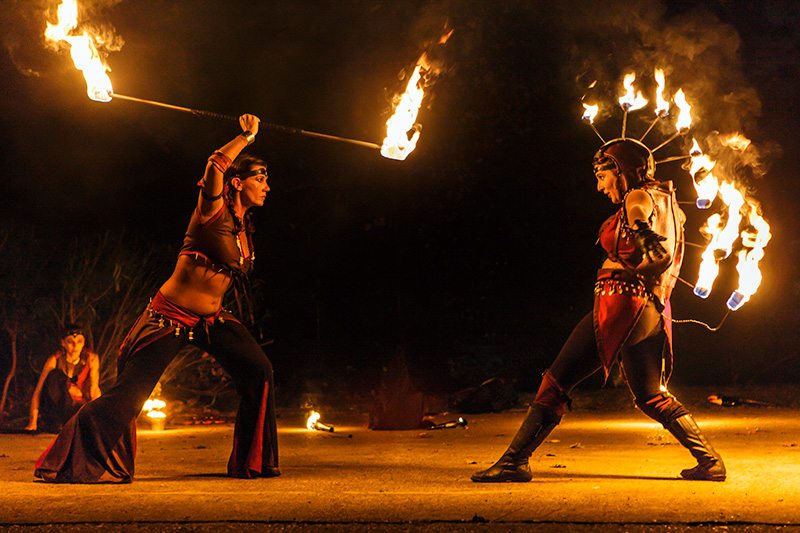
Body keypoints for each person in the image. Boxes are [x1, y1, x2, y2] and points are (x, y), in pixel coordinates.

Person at [34, 114, 278, 483]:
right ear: (238, 183)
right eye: (260, 178)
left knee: (259, 370)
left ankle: (252, 462)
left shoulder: (245, 231)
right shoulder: (211, 211)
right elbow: (215, 163)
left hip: (211, 321)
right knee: (129, 395)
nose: (266, 186)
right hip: (171, 317)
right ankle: (63, 461)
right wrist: (245, 137)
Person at [472, 138, 726, 483]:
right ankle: (710, 461)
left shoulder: (637, 196)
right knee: (651, 395)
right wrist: (646, 240)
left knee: (557, 380)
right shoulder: (671, 204)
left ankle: (515, 461)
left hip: (622, 305)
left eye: (603, 175)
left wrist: (642, 232)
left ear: (621, 171)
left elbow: (637, 213)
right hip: (653, 311)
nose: (599, 185)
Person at [25, 325, 101, 433]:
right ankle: (56, 424)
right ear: (63, 343)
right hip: (58, 409)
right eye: (70, 342)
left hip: (77, 409)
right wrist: (32, 422)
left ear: (83, 343)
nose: (75, 346)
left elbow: (94, 389)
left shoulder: (91, 359)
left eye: (79, 341)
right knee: (55, 375)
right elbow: (38, 392)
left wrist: (100, 419)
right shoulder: (55, 360)